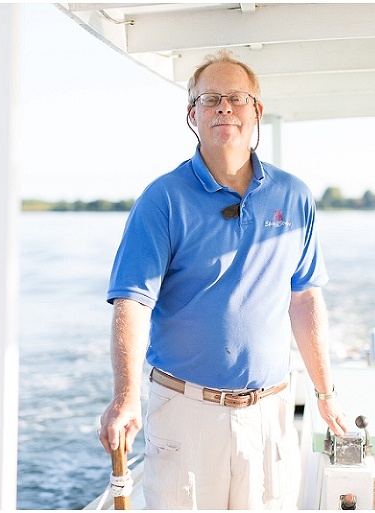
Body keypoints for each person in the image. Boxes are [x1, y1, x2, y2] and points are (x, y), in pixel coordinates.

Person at [98, 50, 349, 509]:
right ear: (191, 114)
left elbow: (304, 299)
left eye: (236, 97)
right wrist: (126, 397)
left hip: (271, 414)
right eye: (210, 98)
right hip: (186, 414)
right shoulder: (162, 200)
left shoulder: (293, 197)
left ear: (257, 110)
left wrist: (325, 393)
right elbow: (133, 303)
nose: (223, 107)